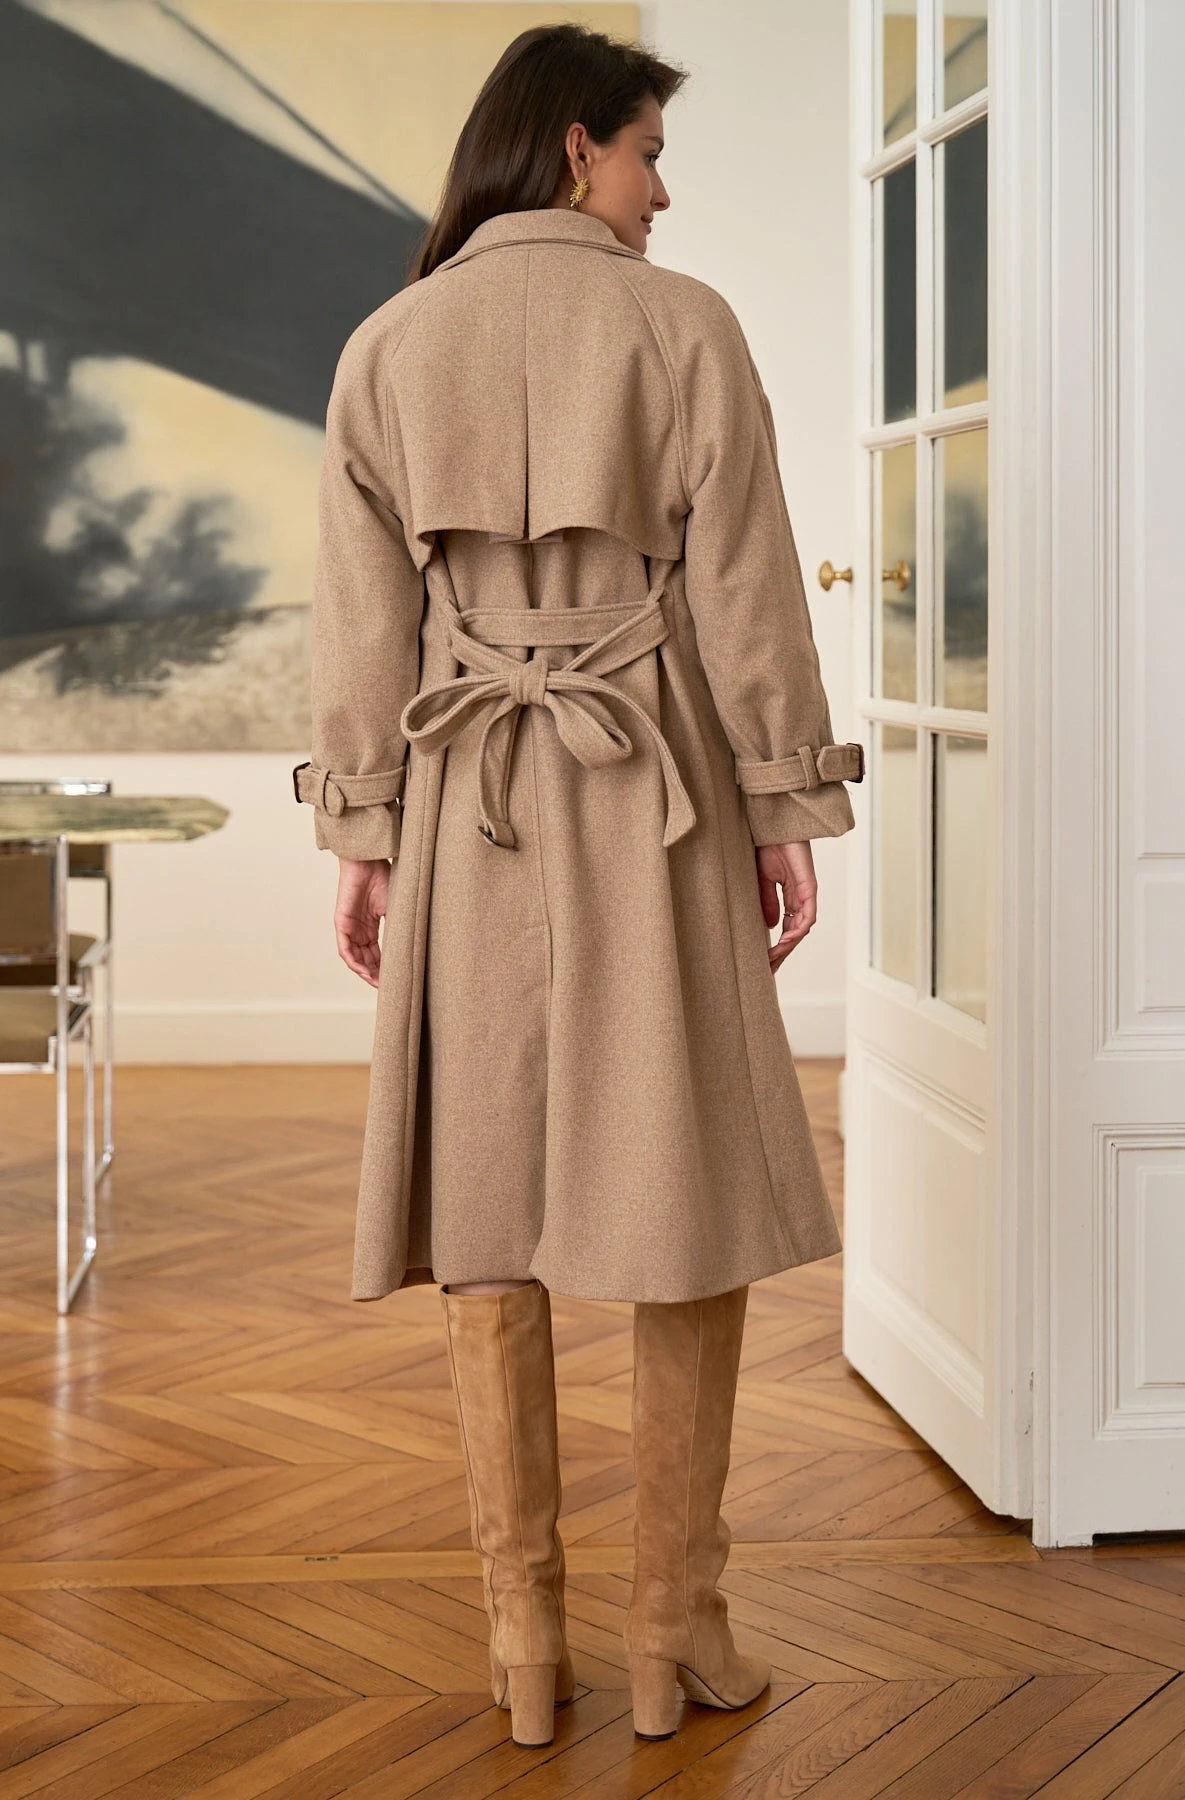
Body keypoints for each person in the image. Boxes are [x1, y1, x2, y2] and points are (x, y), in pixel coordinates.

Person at [293, 21, 863, 1750]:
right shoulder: (684, 328)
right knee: (685, 1194)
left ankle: (522, 1644)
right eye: (646, 155)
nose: (660, 192)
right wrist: (781, 805)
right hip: (656, 789)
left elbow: (359, 626)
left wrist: (365, 836)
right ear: (574, 149)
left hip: (468, 803)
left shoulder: (388, 343)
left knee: (487, 1213)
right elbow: (747, 587)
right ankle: (674, 1626)